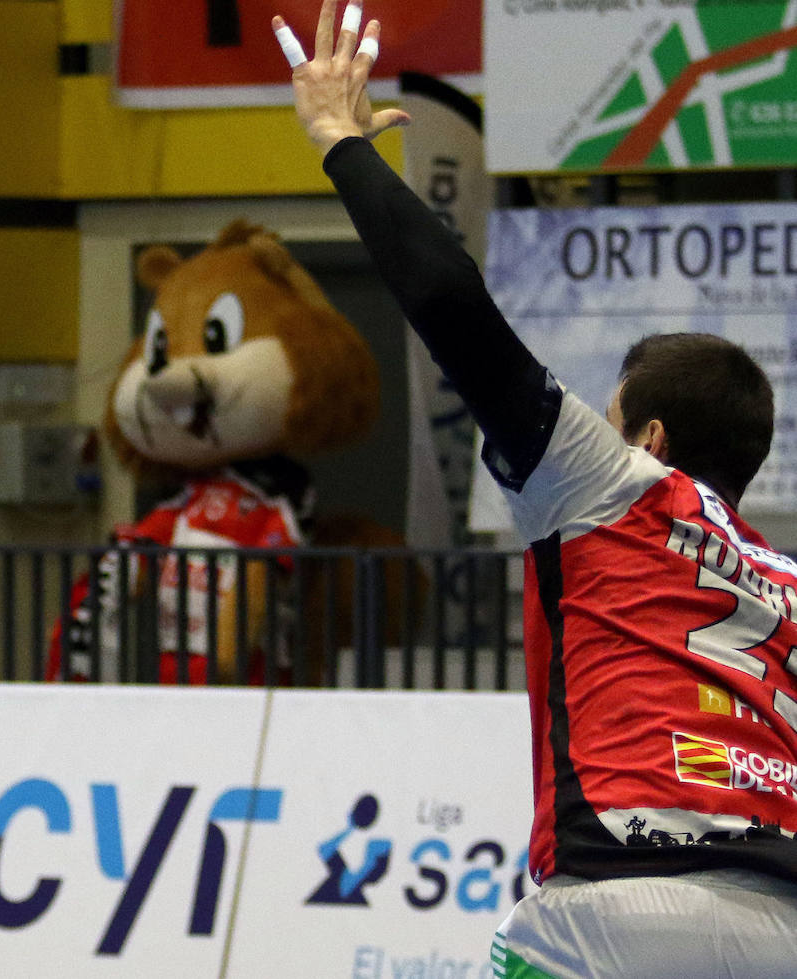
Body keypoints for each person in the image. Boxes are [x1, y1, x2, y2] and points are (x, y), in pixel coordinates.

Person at [274, 2, 797, 975]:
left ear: (648, 434)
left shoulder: (615, 484)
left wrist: (342, 143)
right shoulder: (786, 585)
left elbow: (450, 306)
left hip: (616, 912)